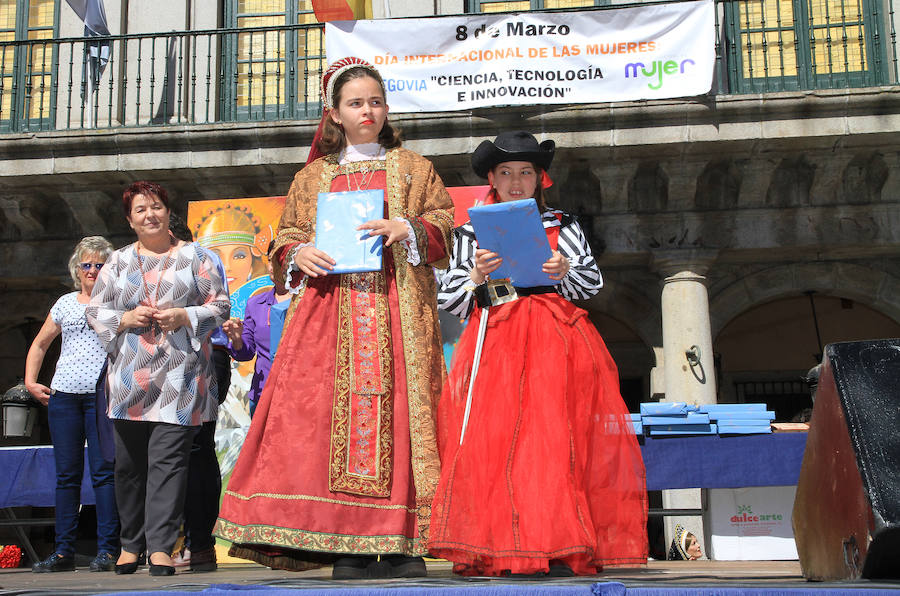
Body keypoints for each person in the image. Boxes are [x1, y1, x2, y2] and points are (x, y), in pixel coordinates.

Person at [214, 57, 454, 580]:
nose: (367, 110)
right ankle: (346, 542)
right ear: (334, 113)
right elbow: (287, 237)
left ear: (386, 108)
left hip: (397, 313)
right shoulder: (312, 177)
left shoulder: (415, 168)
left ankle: (404, 543)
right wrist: (296, 254)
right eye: (355, 103)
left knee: (403, 417)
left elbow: (443, 229)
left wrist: (406, 227)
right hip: (330, 317)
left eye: (375, 101)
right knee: (326, 422)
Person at [429, 131, 648, 576]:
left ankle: (562, 545)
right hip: (495, 338)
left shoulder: (564, 225)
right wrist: (475, 274)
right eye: (506, 173)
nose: (515, 182)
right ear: (491, 178)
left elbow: (591, 286)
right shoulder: (469, 231)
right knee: (494, 443)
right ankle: (495, 547)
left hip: (554, 340)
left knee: (554, 442)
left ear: (539, 178)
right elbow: (450, 300)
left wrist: (564, 270)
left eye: (525, 173)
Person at [86, 181, 230, 577]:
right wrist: (125, 319)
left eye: (156, 207)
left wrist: (187, 316)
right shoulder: (115, 263)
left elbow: (220, 305)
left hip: (181, 375)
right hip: (130, 376)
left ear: (168, 212)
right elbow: (95, 311)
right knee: (129, 467)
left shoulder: (198, 256)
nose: (150, 215)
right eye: (140, 210)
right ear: (129, 220)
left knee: (168, 464)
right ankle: (130, 544)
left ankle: (161, 547)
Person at [24, 236, 120, 573]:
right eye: (86, 265)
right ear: (76, 269)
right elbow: (40, 344)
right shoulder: (64, 303)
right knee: (66, 475)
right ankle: (63, 551)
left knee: (104, 473)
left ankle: (108, 550)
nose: (92, 270)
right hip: (64, 395)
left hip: (101, 396)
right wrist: (30, 382)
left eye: (99, 265)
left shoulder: (117, 302)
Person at [167, 213, 230, 573]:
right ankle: (182, 543)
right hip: (169, 361)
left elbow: (216, 308)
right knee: (178, 451)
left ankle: (199, 544)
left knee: (196, 449)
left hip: (203, 355)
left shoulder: (199, 257)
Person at [222, 240, 291, 418]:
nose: (271, 267)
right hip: (263, 394)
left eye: (279, 260)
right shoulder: (256, 303)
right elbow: (246, 353)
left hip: (298, 395)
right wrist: (237, 339)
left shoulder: (309, 302)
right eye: (269, 260)